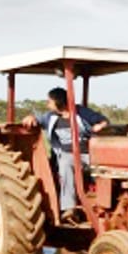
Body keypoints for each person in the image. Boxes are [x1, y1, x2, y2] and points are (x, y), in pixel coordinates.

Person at [22, 87, 109, 222]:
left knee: (104, 166)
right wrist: (31, 117)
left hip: (87, 153)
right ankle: (69, 208)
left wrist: (101, 125)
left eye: (49, 102)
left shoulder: (81, 112)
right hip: (67, 154)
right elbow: (37, 119)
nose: (48, 105)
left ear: (58, 101)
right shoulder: (51, 117)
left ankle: (103, 202)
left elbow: (102, 120)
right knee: (66, 164)